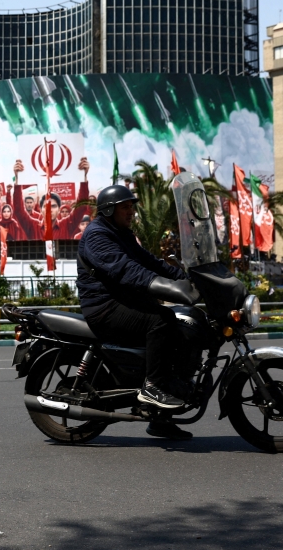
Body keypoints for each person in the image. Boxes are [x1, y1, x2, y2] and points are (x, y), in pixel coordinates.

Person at [76, 184, 200, 440]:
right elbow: (126, 270)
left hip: (122, 301)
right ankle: (152, 386)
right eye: (126, 207)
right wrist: (166, 287)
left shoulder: (122, 233)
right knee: (160, 320)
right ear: (109, 209)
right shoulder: (98, 235)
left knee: (185, 326)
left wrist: (185, 278)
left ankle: (160, 418)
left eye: (132, 207)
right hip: (103, 306)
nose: (131, 211)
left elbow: (149, 261)